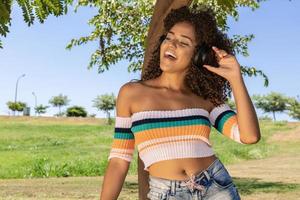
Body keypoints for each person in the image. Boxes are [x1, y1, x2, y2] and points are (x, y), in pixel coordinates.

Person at [100, 5, 261, 200]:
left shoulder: (204, 97)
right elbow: (119, 160)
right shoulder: (131, 94)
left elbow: (249, 136)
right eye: (169, 38)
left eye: (183, 43)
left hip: (216, 187)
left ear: (198, 55)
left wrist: (236, 79)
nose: (171, 45)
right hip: (166, 193)